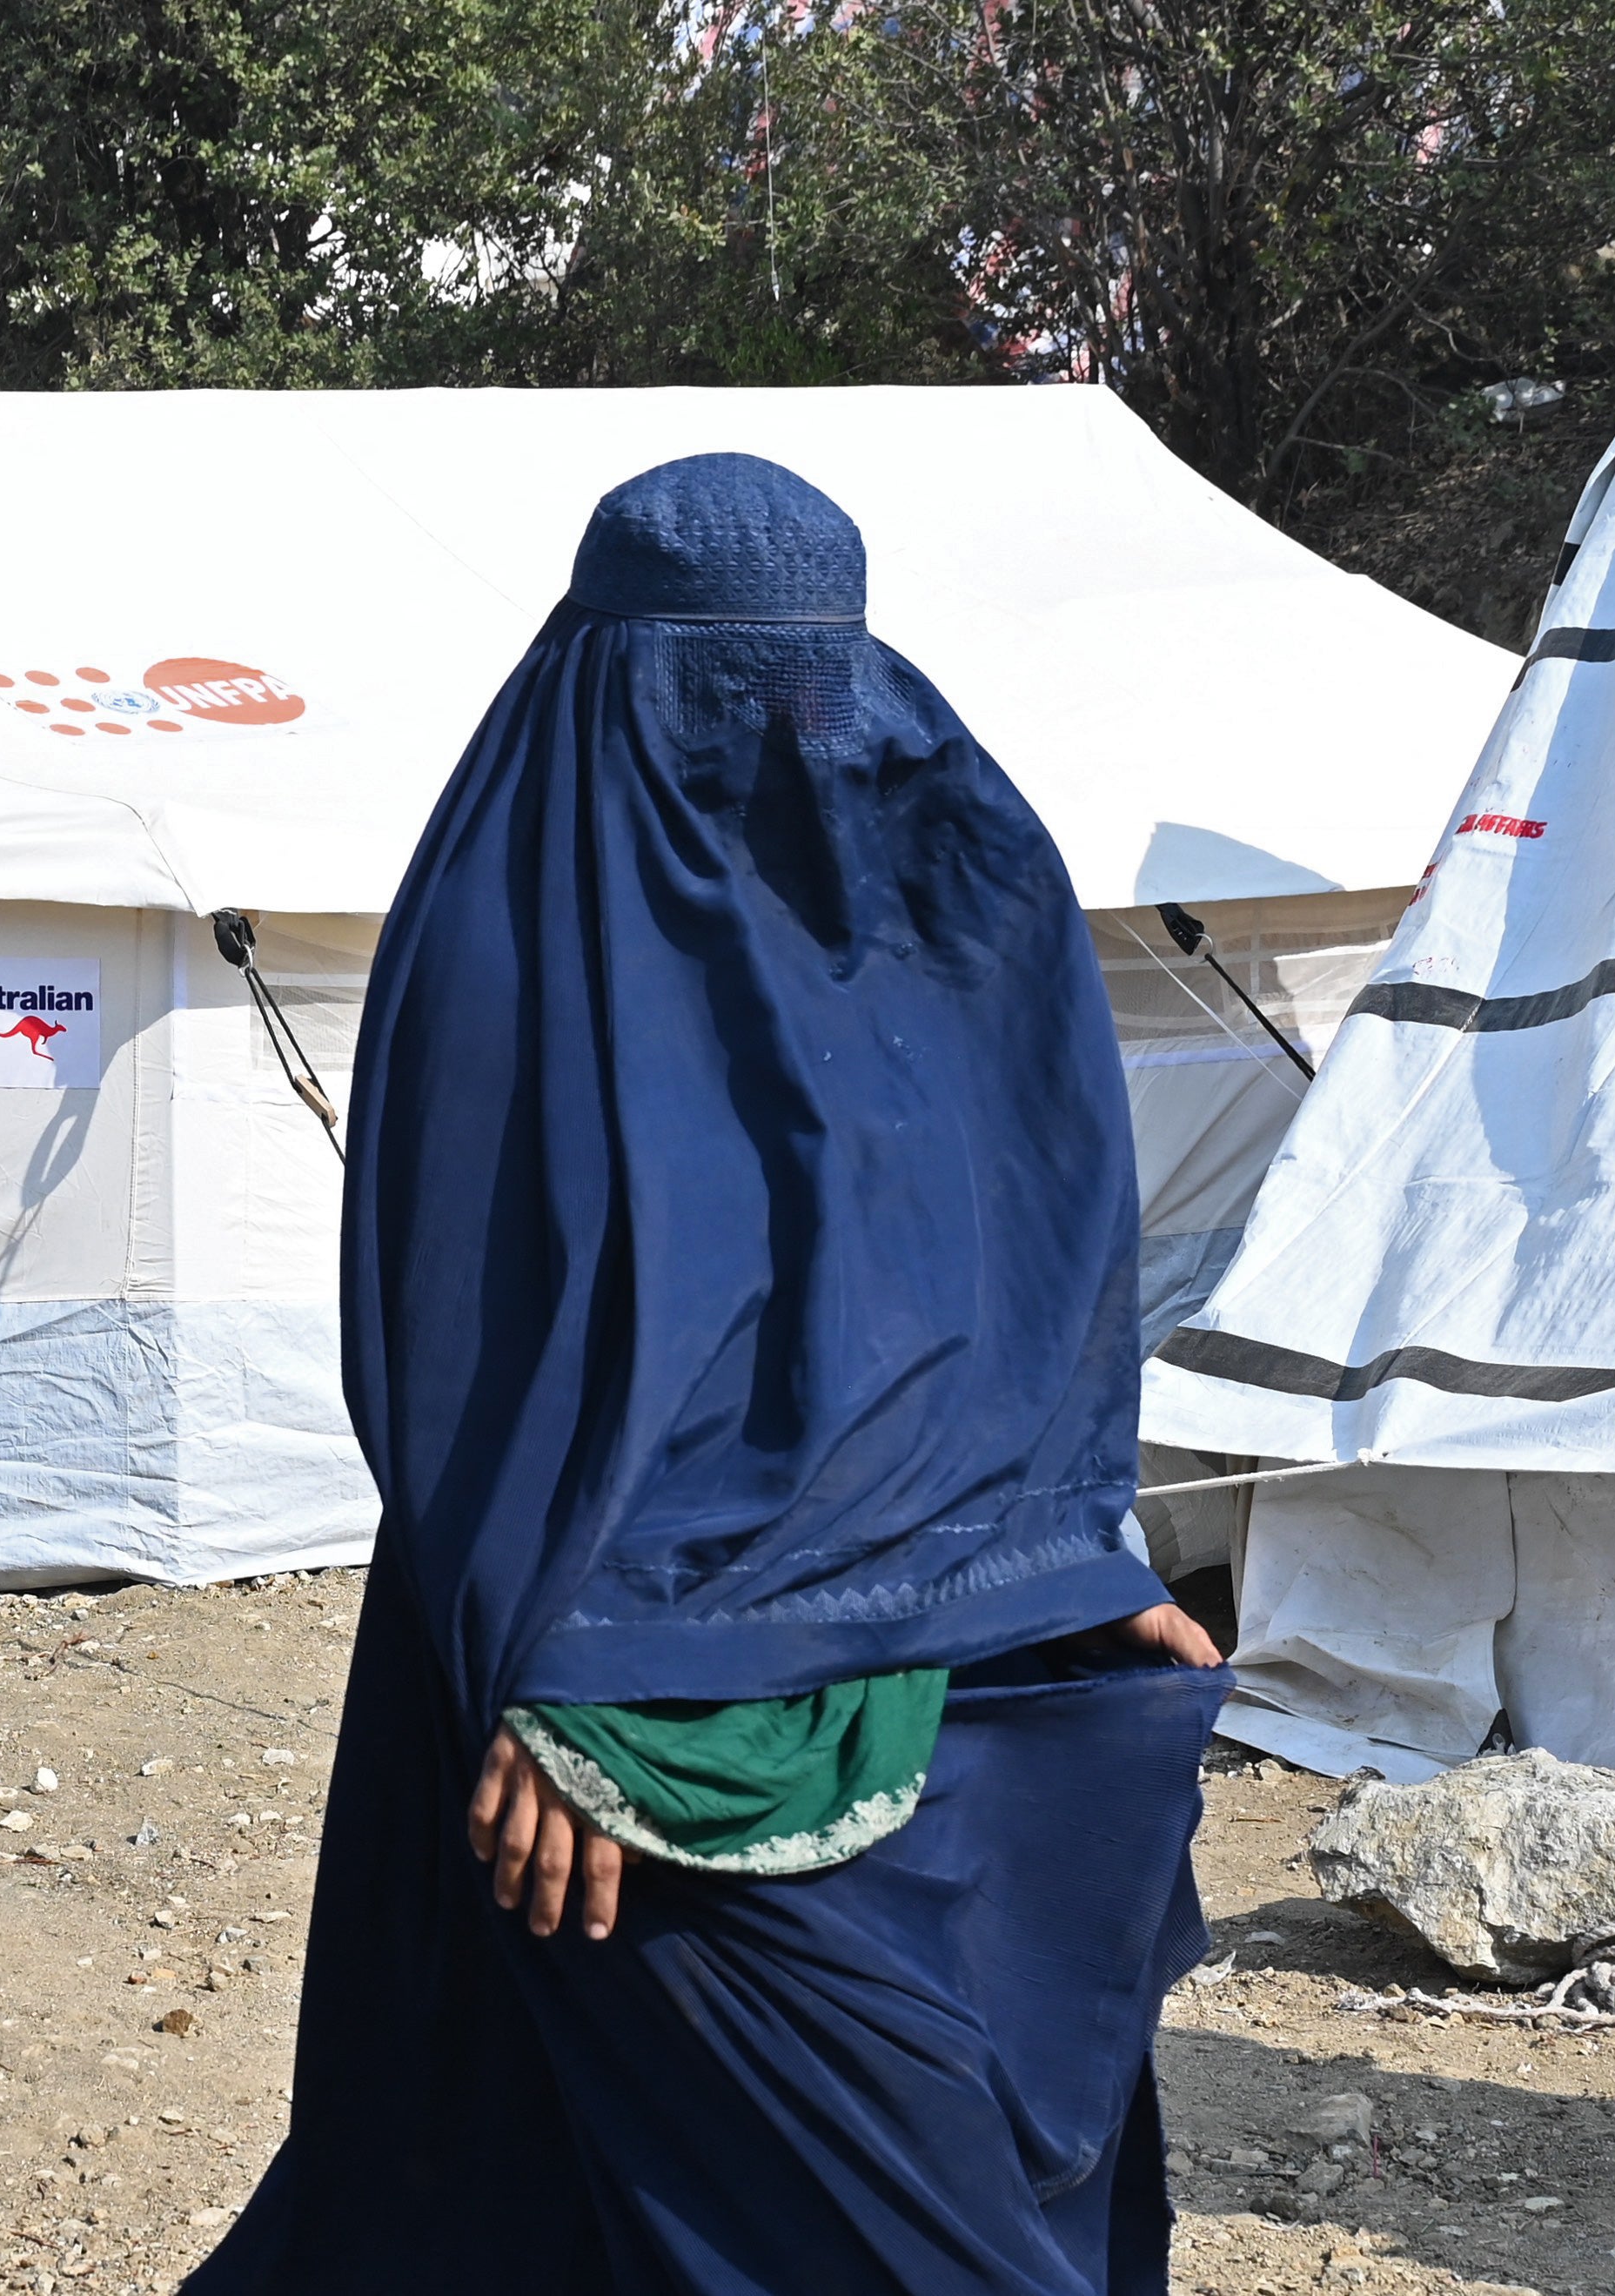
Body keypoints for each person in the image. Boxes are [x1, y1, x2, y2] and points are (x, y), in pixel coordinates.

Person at [187, 454, 1229, 2296]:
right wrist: (575, 1673)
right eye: (727, 684)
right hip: (594, 1713)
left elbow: (1031, 1278)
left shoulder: (952, 873)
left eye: (815, 678)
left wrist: (1081, 1565)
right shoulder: (523, 936)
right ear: (614, 666)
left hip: (916, 1676)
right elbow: (473, 1352)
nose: (788, 739)